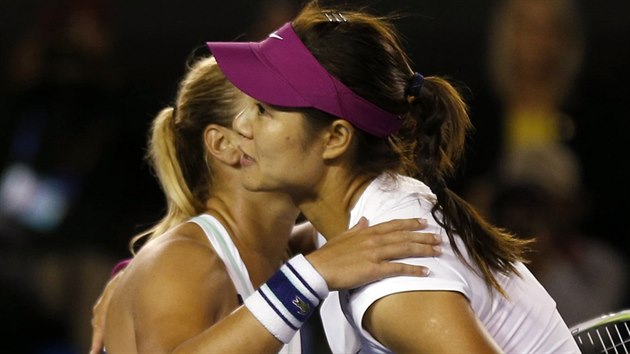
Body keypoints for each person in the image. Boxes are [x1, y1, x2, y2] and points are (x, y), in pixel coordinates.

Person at [207, 1, 580, 352]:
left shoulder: (399, 283)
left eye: (263, 110)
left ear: (335, 139)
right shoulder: (357, 219)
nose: (241, 125)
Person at [96, 51, 443, 353]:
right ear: (225, 145)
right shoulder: (179, 261)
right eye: (264, 108)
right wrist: (308, 277)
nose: (308, 118)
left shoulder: (286, 251)